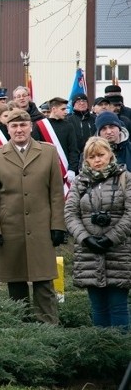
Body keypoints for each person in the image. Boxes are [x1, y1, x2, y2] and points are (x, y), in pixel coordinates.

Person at [0, 109, 66, 324]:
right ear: (7, 129)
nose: (19, 130)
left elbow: (56, 193)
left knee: (43, 282)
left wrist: (58, 225)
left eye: (23, 125)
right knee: (16, 281)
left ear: (31, 126)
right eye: (14, 126)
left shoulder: (48, 152)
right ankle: (20, 329)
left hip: (41, 226)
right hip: (10, 227)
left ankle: (48, 328)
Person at [64, 137, 130, 329]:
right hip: (88, 252)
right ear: (86, 159)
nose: (97, 160)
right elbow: (70, 214)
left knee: (118, 306)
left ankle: (120, 354)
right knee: (98, 307)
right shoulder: (79, 181)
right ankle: (101, 351)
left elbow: (129, 214)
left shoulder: (125, 178)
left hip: (119, 251)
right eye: (92, 157)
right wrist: (85, 238)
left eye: (101, 155)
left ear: (110, 155)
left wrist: (111, 238)